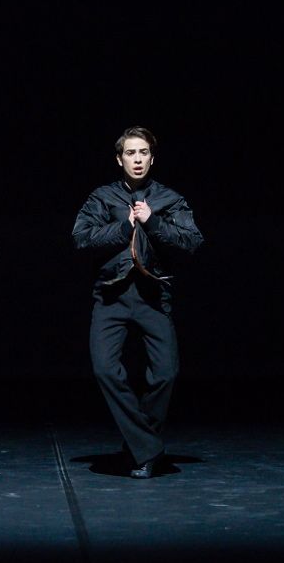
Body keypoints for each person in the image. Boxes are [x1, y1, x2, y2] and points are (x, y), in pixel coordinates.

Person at [72, 126, 203, 478]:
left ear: (152, 158)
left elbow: (191, 242)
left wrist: (152, 221)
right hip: (112, 294)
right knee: (104, 369)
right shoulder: (102, 198)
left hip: (152, 295)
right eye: (131, 153)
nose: (138, 159)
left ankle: (138, 448)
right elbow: (81, 240)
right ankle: (147, 448)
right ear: (120, 159)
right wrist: (124, 226)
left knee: (165, 373)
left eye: (143, 152)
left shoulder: (168, 199)